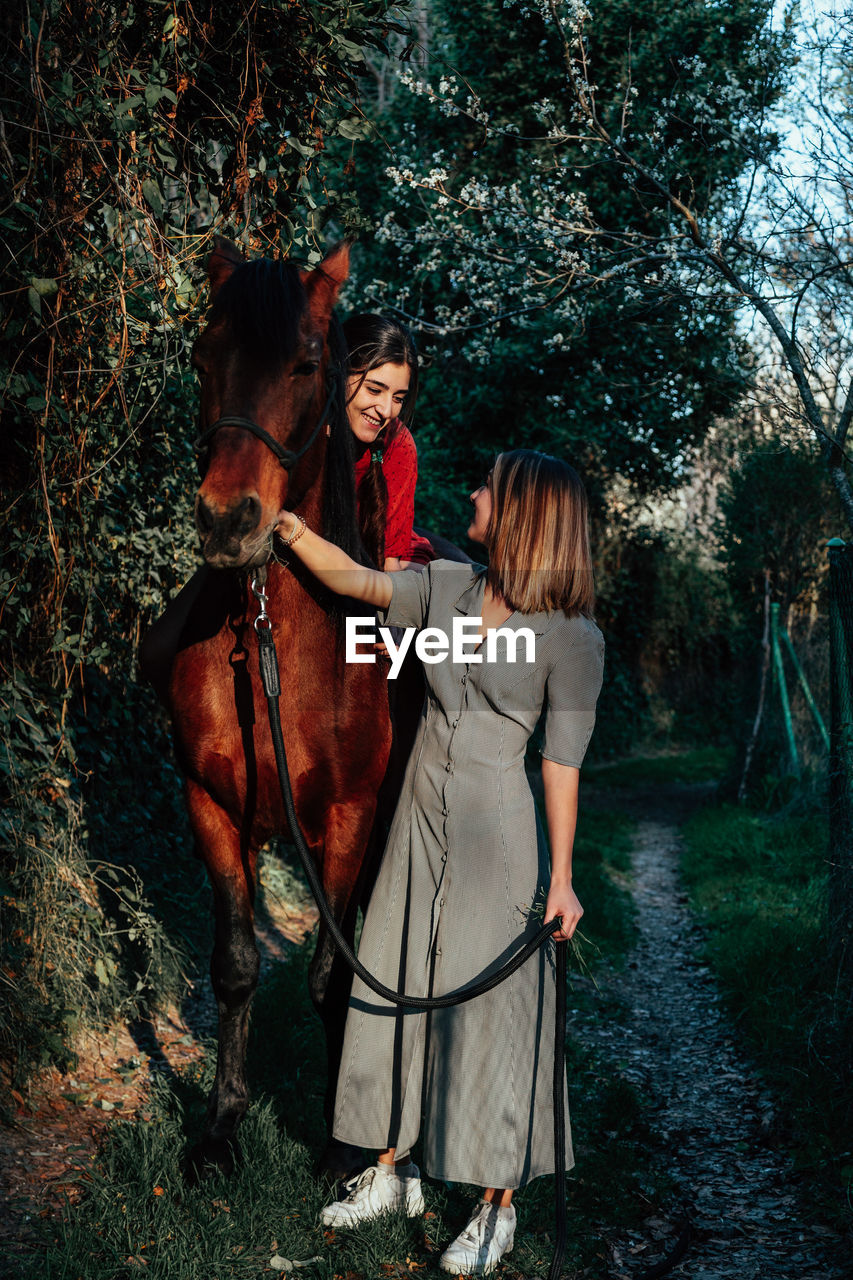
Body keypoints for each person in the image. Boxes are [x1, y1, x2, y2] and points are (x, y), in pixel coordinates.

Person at [275, 449, 604, 1276]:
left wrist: (560, 879)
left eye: (489, 487)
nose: (474, 494)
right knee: (390, 982)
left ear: (524, 512)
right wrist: (283, 525)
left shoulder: (570, 638)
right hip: (417, 821)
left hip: (499, 833)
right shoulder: (451, 592)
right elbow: (357, 582)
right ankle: (391, 1168)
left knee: (495, 1015)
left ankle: (498, 1206)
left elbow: (561, 766)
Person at [140, 314, 431, 695]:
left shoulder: (396, 444)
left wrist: (396, 621)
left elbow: (392, 552)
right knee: (157, 650)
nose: (386, 409)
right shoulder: (299, 421)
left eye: (398, 397)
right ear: (339, 373)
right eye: (374, 389)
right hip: (282, 543)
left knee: (399, 675)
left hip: (365, 561)